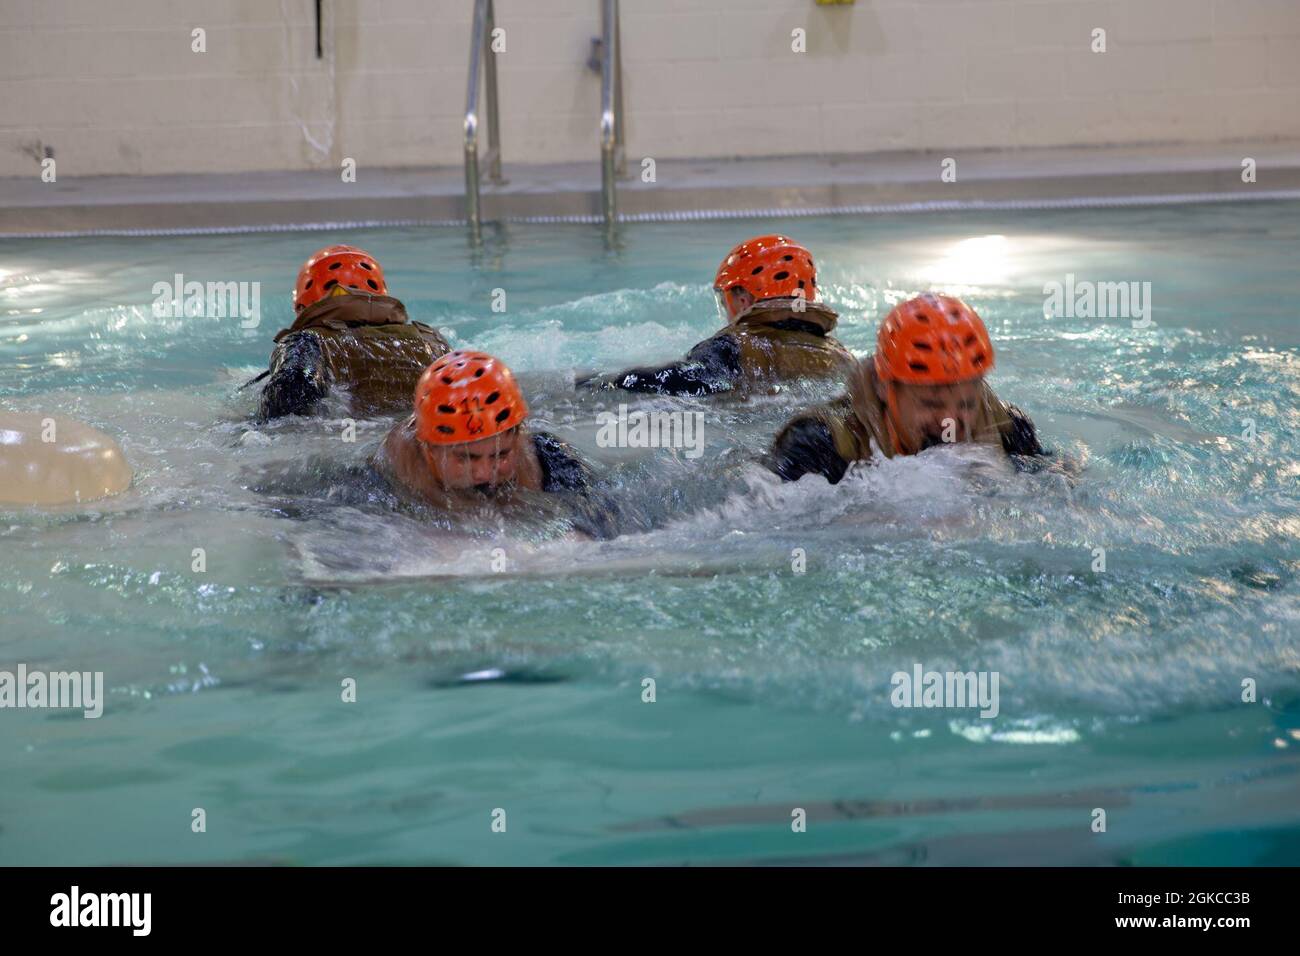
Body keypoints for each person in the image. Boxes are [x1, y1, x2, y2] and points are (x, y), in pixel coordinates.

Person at [765, 294, 1047, 483]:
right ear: (886, 389)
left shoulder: (1010, 429)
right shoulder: (820, 444)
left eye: (966, 404)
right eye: (931, 404)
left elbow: (1057, 490)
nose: (949, 420)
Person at [579, 234, 853, 396]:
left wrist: (602, 382)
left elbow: (683, 381)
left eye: (726, 300)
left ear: (743, 298)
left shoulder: (734, 347)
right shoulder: (842, 355)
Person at [251, 244, 451, 419]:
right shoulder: (431, 340)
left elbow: (292, 391)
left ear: (302, 306)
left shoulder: (307, 341)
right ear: (380, 294)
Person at [375, 350, 597, 503]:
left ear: (518, 436)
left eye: (500, 455)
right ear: (429, 448)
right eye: (464, 458)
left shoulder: (528, 459)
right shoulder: (408, 463)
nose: (484, 474)